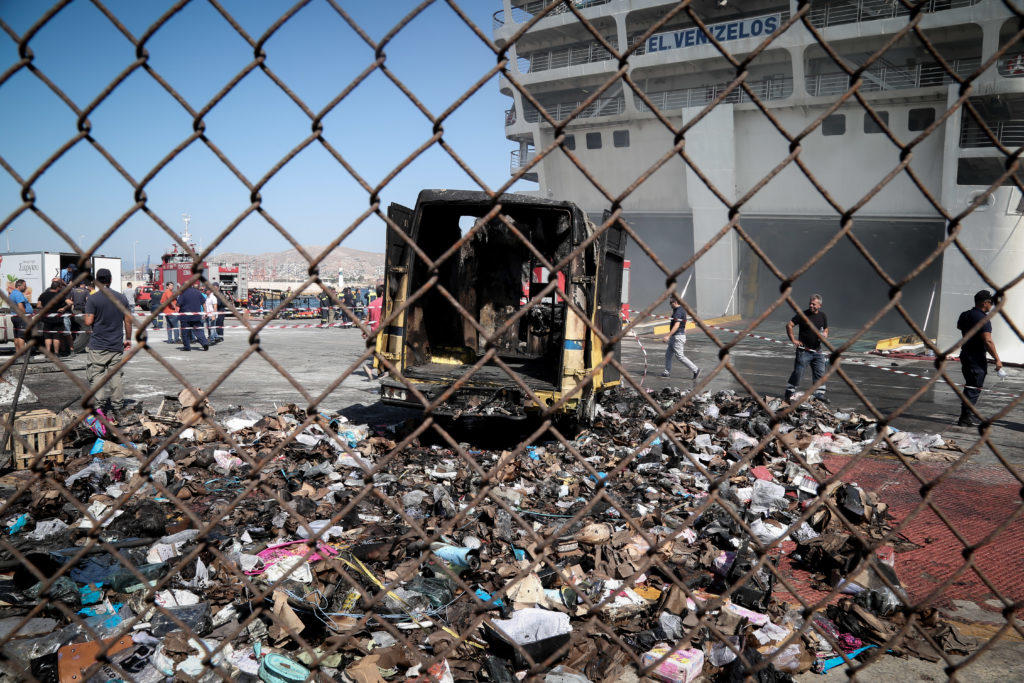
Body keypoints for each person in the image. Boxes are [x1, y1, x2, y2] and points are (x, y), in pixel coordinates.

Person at [83, 269, 132, 414]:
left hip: (98, 345)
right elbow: (128, 321)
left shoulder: (93, 299)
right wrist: (128, 339)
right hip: (116, 344)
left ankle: (98, 407)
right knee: (116, 376)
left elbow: (88, 321)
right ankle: (118, 406)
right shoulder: (121, 298)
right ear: (110, 280)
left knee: (97, 375)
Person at [955, 289, 1003, 427]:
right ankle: (965, 418)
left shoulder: (965, 315)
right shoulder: (983, 319)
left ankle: (966, 415)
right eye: (991, 303)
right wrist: (997, 359)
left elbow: (959, 326)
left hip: (965, 354)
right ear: (985, 302)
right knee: (974, 387)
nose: (991, 306)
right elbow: (988, 341)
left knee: (970, 385)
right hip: (976, 357)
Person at [785, 294, 829, 403]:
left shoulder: (823, 316)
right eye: (810, 303)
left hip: (817, 351)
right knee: (798, 373)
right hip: (803, 351)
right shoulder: (802, 315)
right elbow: (789, 325)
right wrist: (793, 340)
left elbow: (826, 328)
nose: (811, 305)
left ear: (820, 305)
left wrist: (825, 334)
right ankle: (789, 392)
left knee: (820, 372)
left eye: (814, 304)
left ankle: (819, 394)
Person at [660, 297, 700, 381]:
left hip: (677, 336)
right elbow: (683, 323)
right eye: (670, 302)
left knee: (680, 356)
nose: (670, 304)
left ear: (676, 302)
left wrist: (667, 336)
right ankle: (667, 372)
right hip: (676, 336)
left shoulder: (678, 311)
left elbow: (677, 325)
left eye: (671, 302)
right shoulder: (679, 310)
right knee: (668, 354)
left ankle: (695, 369)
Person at [36, 279, 71, 356]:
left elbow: (38, 305)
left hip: (46, 318)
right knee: (56, 337)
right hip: (57, 318)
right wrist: (63, 308)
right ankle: (56, 353)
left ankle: (48, 353)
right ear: (58, 287)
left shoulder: (43, 294)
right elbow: (70, 303)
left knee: (47, 336)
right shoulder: (60, 295)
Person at [176, 282, 209, 351]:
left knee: (185, 332)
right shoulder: (198, 292)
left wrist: (177, 314)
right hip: (196, 316)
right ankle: (205, 343)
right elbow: (203, 303)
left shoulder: (183, 294)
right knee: (199, 331)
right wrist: (205, 312)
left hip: (185, 316)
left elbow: (178, 305)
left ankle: (187, 347)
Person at [363, 285, 385, 380]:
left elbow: (367, 319)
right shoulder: (385, 303)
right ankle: (371, 367)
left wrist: (364, 331)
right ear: (383, 293)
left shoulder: (371, 303)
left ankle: (380, 372)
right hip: (383, 331)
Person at [9, 279, 33, 353]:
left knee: (16, 336)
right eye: (24, 286)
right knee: (21, 336)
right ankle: (22, 354)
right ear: (19, 286)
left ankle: (18, 353)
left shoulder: (12, 293)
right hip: (21, 317)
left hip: (15, 316)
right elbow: (21, 307)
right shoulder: (18, 294)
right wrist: (26, 315)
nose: (25, 287)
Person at [70, 279, 91, 353]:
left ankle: (72, 344)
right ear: (83, 285)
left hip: (75, 310)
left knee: (74, 326)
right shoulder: (86, 291)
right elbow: (88, 300)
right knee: (87, 327)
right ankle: (88, 345)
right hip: (82, 310)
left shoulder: (73, 290)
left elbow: (71, 300)